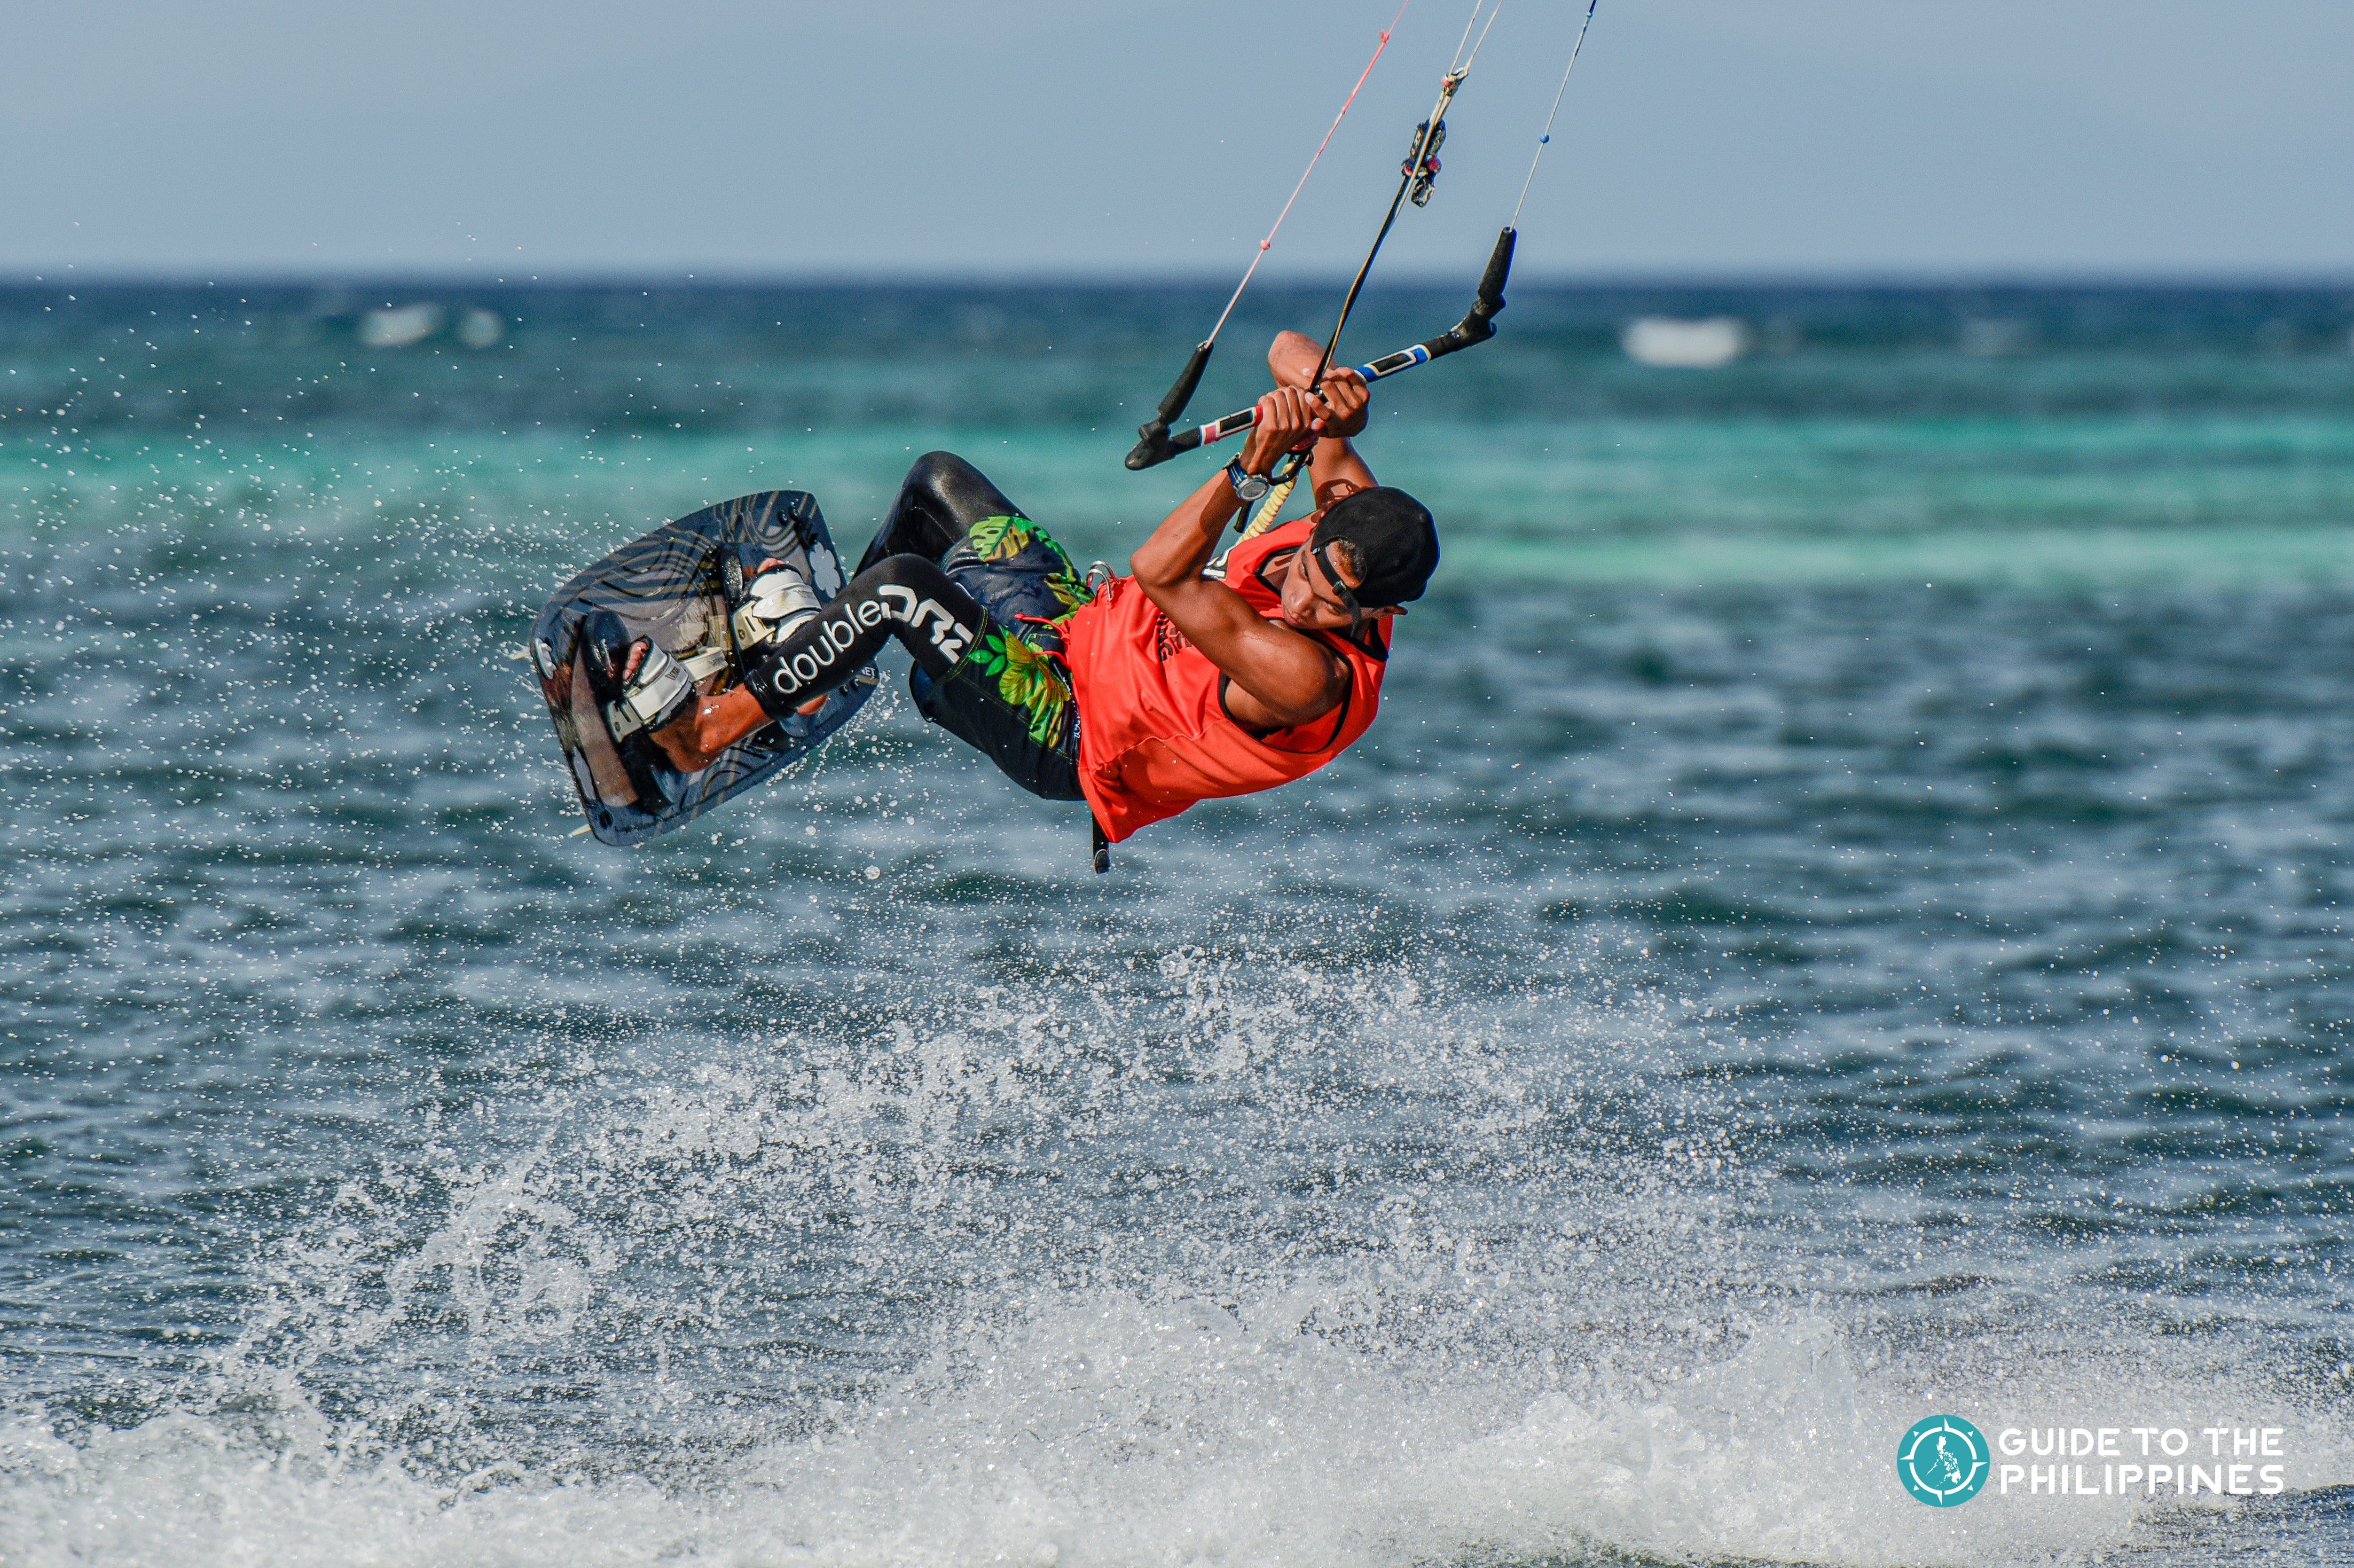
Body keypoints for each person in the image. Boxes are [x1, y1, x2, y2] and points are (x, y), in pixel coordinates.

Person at [580, 329, 1439, 865]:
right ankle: (807, 666)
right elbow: (1289, 347)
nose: (1306, 602)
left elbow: (1163, 572)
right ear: (1328, 521)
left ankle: (706, 733)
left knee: (902, 591)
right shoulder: (1343, 514)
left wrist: (1251, 465)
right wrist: (1330, 400)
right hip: (1072, 630)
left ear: (1377, 614)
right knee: (938, 484)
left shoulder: (1305, 678)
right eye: (1313, 575)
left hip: (1067, 729)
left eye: (1337, 609)